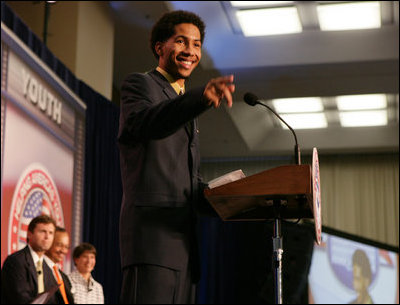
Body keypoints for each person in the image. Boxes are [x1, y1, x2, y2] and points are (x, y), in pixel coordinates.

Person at [118, 9, 235, 304]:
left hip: (184, 247)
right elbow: (148, 122)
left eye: (196, 44)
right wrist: (198, 99)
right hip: (152, 243)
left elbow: (188, 185)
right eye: (181, 42)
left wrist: (234, 197)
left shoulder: (185, 107)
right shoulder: (141, 85)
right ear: (160, 47)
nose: (190, 51)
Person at [1, 214, 61, 304]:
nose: (47, 237)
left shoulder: (48, 269)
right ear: (29, 234)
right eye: (42, 232)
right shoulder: (16, 262)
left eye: (51, 233)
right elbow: (20, 298)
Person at [44, 226, 75, 304]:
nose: (63, 251)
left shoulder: (64, 277)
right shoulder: (38, 269)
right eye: (59, 245)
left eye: (66, 247)